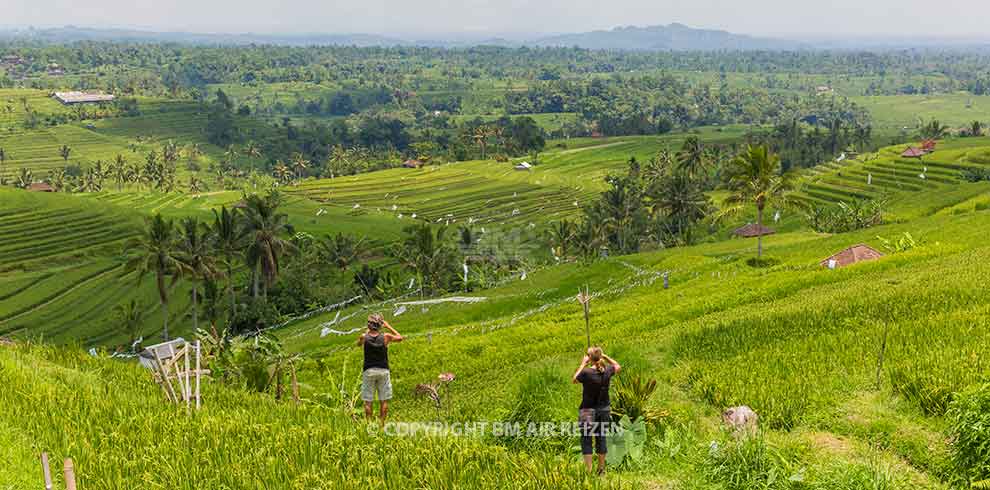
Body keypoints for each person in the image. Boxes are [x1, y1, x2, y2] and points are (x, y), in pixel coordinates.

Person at [572, 346, 621, 475]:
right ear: (600, 357)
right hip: (604, 409)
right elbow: (617, 366)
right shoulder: (608, 370)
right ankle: (601, 470)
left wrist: (583, 364)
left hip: (587, 410)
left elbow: (574, 379)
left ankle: (588, 471)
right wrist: (605, 357)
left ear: (590, 359)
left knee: (586, 438)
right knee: (601, 437)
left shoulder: (586, 373)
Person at [358, 313, 403, 422]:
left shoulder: (364, 337)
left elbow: (359, 344)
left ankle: (369, 424)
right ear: (380, 325)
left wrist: (366, 332)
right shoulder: (386, 337)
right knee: (384, 400)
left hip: (369, 370)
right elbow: (400, 337)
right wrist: (388, 326)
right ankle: (382, 424)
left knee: (368, 400)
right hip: (383, 370)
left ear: (369, 325)